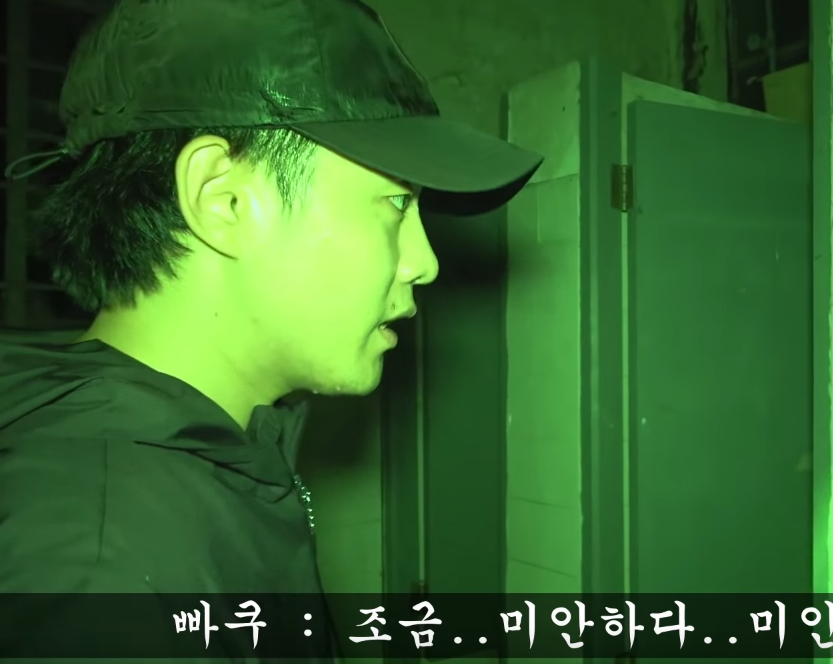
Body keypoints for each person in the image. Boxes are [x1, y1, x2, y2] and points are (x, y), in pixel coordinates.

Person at [0, 0, 541, 660]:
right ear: (224, 199)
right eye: (396, 203)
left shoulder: (213, 455)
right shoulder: (100, 574)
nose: (423, 262)